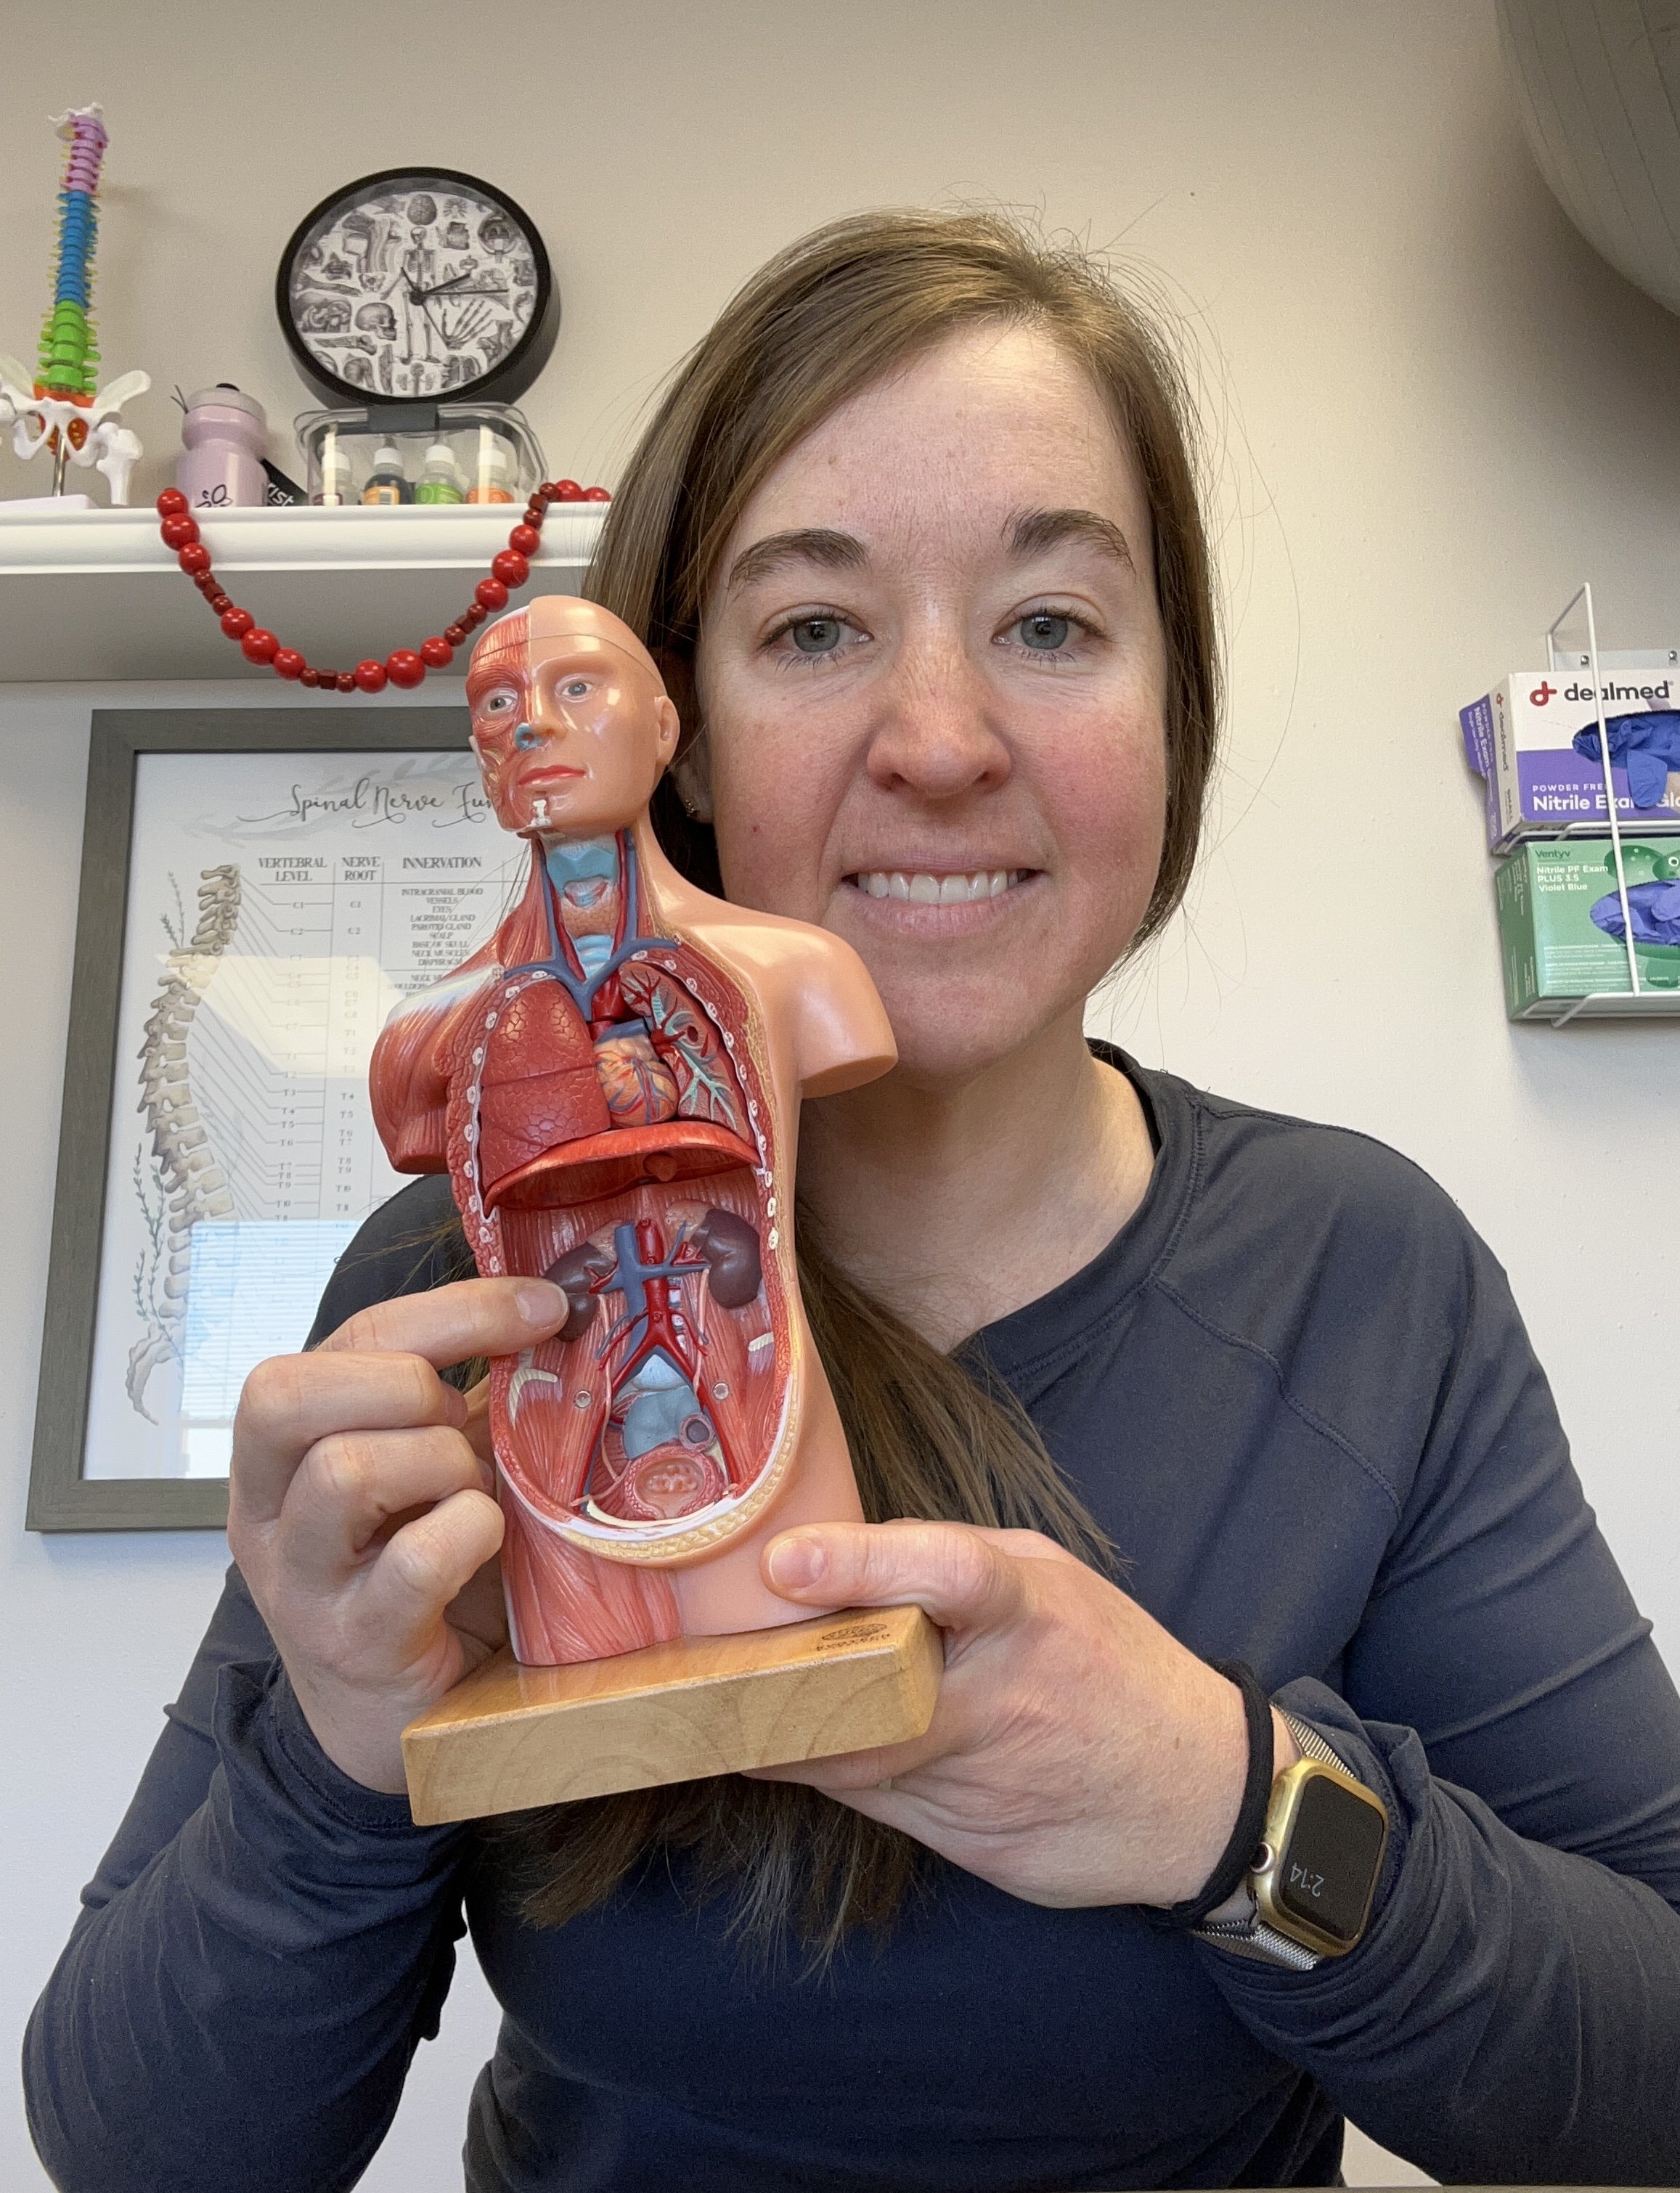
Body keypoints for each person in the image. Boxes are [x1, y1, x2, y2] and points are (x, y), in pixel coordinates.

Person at [25, 210, 1680, 2193]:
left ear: (1172, 708)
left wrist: (1225, 1807)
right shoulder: (458, 1276)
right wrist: (332, 1751)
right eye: (814, 630)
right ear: (689, 734)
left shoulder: (1363, 1276)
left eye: (1050, 624)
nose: (943, 743)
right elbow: (143, 2153)